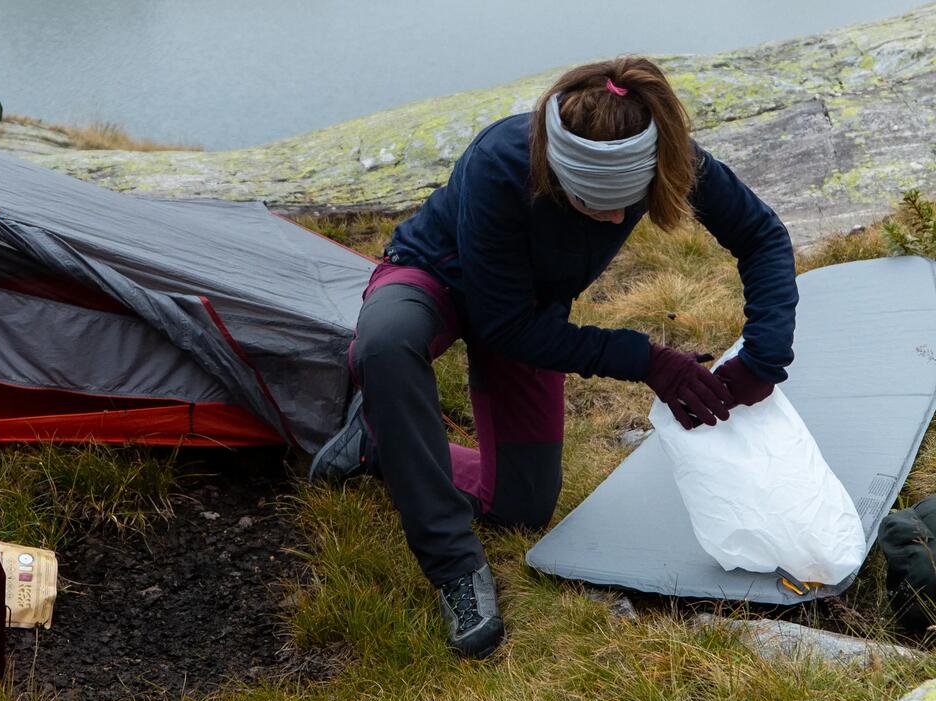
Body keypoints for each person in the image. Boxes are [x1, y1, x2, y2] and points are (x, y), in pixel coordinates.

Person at [309, 57, 797, 658]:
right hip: (434, 279)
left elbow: (762, 236)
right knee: (384, 344)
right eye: (595, 205)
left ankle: (379, 440)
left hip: (526, 312)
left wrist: (764, 358)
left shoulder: (666, 153)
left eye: (630, 202)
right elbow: (502, 326)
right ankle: (456, 569)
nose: (617, 219)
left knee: (520, 508)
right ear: (560, 175)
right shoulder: (503, 161)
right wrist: (648, 359)